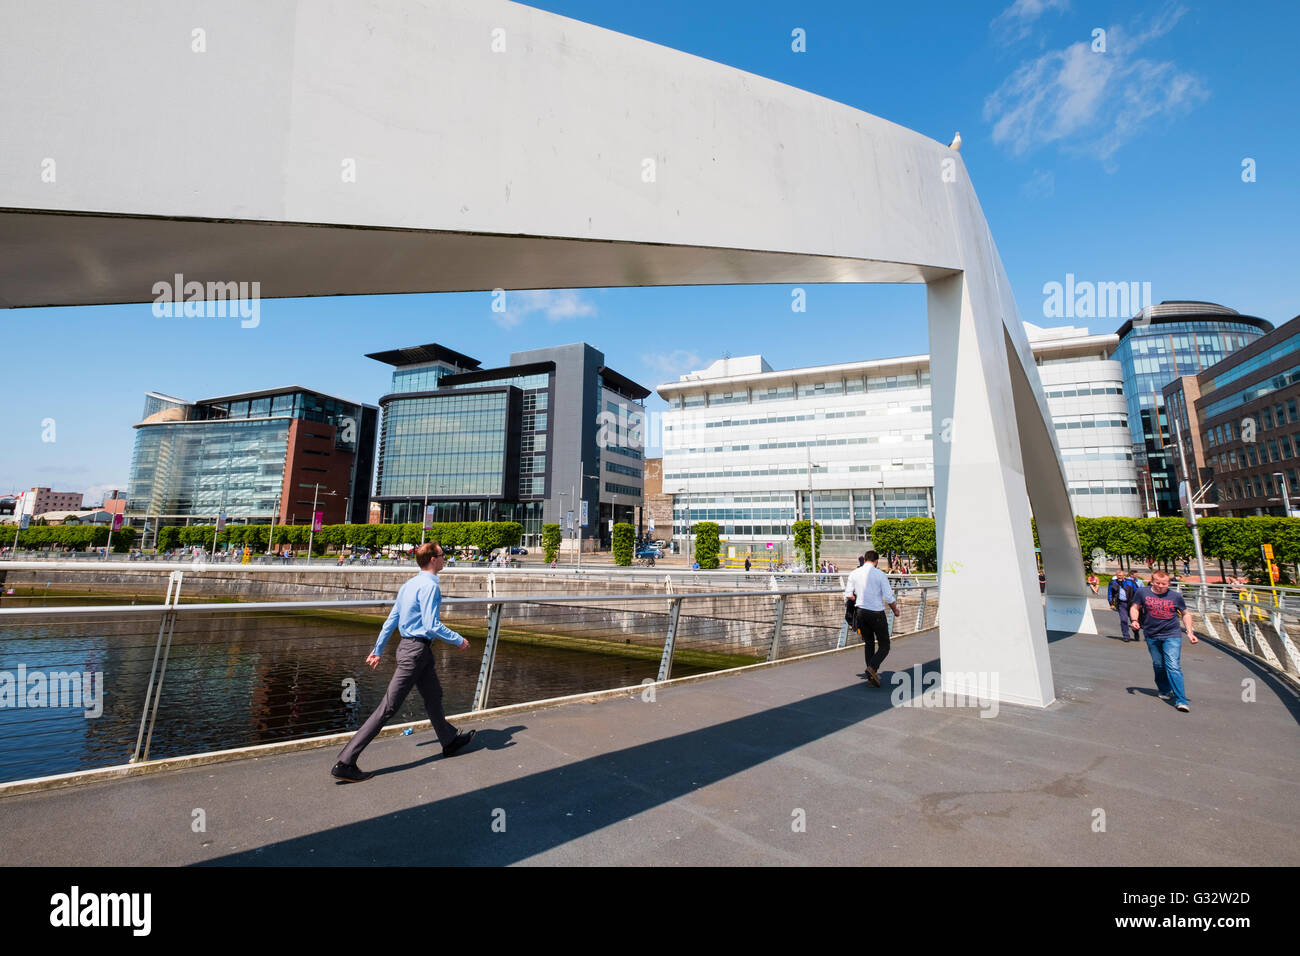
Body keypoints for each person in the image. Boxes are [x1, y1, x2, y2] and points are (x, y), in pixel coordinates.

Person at [331, 541, 476, 782]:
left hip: (414, 650)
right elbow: (431, 625)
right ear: (432, 559)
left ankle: (449, 741)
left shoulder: (409, 585)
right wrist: (458, 640)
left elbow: (391, 620)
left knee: (433, 696)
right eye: (442, 555)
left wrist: (378, 649)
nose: (444, 559)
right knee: (388, 707)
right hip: (416, 652)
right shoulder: (430, 588)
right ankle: (346, 760)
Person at [1130, 570, 1197, 712]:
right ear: (1152, 582)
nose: (1161, 586)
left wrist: (1189, 632)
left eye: (1164, 584)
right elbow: (1135, 607)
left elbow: (1185, 613)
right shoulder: (1143, 592)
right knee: (1159, 664)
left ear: (1169, 584)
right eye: (1158, 583)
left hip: (1172, 634)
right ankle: (1164, 689)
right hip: (1151, 634)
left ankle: (1181, 700)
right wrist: (1134, 620)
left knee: (1173, 665)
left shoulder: (1175, 596)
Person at [843, 550, 900, 687]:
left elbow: (849, 595)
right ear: (875, 561)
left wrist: (859, 597)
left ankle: (871, 676)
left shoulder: (854, 573)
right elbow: (888, 596)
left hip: (861, 612)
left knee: (869, 643)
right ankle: (872, 668)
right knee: (884, 645)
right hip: (876, 613)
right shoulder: (880, 574)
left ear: (865, 559)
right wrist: (895, 610)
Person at [1107, 569, 1138, 642]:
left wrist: (1138, 603)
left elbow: (1137, 592)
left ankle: (1136, 632)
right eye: (1118, 576)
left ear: (1124, 575)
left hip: (1131, 604)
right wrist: (1111, 604)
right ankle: (1126, 636)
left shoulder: (1130, 582)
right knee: (1123, 620)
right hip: (1121, 604)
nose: (1119, 577)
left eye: (1120, 575)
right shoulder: (1113, 583)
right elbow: (1109, 593)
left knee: (1134, 620)